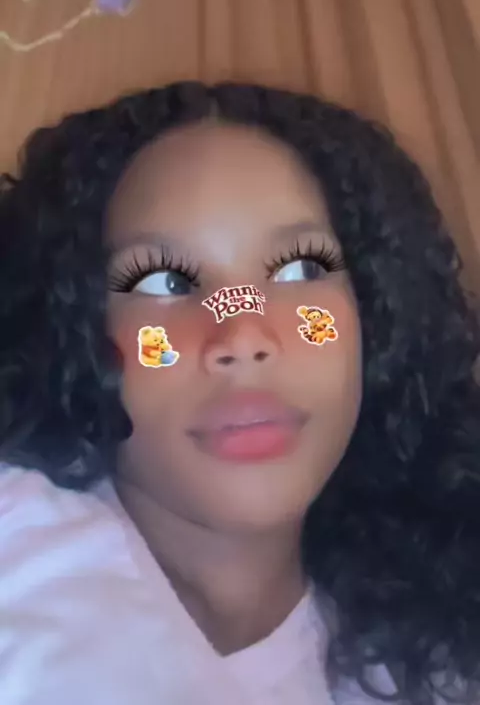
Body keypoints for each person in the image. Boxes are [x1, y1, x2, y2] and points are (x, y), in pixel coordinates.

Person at [0, 82, 479, 705]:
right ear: (71, 331)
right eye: (163, 280)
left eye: (300, 268)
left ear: (377, 316)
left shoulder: (439, 654)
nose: (244, 334)